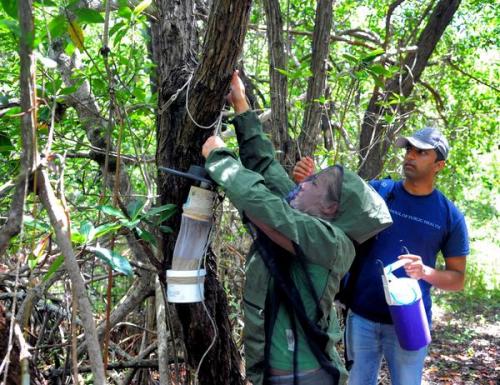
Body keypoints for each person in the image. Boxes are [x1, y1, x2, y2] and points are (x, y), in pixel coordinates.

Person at [201, 71, 392, 385]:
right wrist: (240, 102)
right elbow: (265, 166)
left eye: (320, 183)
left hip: (309, 377)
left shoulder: (332, 243)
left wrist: (220, 158)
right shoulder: (305, 215)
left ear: (330, 209)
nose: (309, 181)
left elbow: (265, 206)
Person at [293, 127, 469, 385]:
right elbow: (327, 214)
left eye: (421, 152)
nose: (410, 156)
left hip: (409, 323)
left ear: (439, 165)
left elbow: (458, 278)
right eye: (409, 149)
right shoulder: (377, 192)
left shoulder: (449, 216)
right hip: (361, 317)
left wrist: (425, 272)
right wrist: (307, 183)